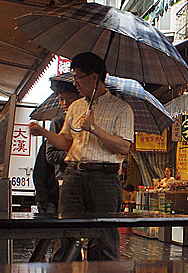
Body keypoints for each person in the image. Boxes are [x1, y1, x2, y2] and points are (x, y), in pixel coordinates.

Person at [28, 52, 134, 261]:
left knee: (103, 238)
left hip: (104, 178)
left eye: (78, 77)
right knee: (65, 233)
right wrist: (44, 133)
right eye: (74, 77)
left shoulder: (121, 109)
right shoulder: (76, 106)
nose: (75, 83)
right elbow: (66, 142)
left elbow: (123, 147)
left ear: (95, 77)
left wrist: (94, 128)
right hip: (73, 175)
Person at [32, 78, 80, 215]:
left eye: (69, 98)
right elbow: (50, 156)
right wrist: (76, 154)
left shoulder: (88, 119)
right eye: (61, 99)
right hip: (61, 185)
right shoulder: (58, 122)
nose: (65, 103)